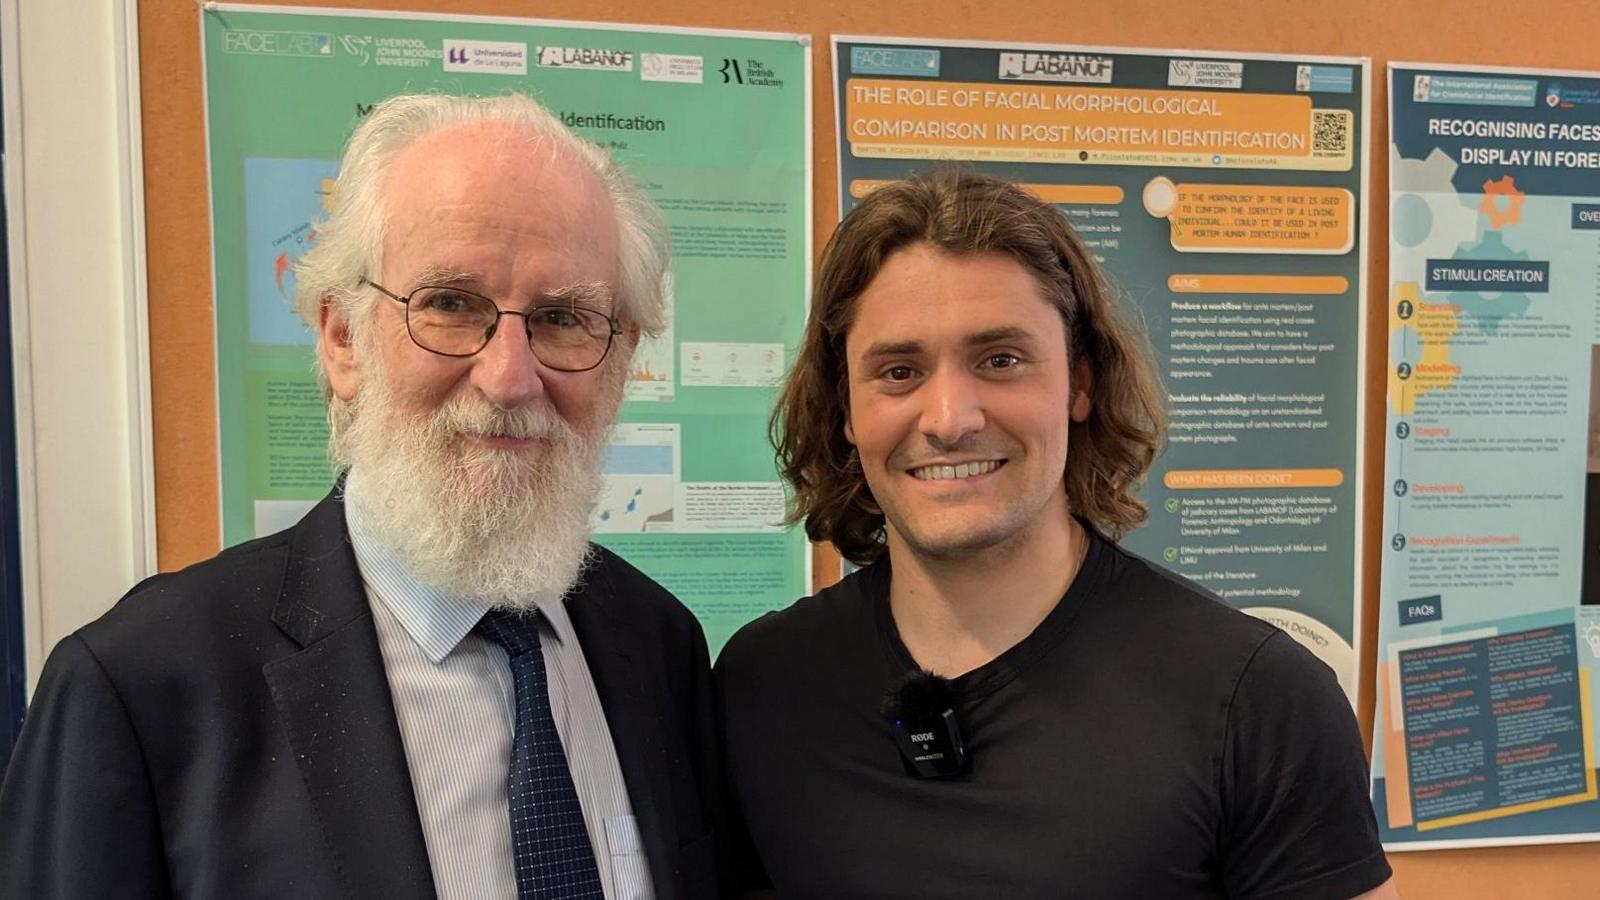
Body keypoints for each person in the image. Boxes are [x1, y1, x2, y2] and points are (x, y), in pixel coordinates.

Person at [0, 93, 721, 898]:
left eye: (562, 319)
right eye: (449, 305)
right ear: (341, 338)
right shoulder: (141, 687)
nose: (511, 377)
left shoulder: (659, 647)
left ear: (621, 361)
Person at [716, 170, 1397, 898]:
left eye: (1000, 360)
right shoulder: (766, 684)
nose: (950, 419)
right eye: (899, 370)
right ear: (846, 409)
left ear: (1079, 383)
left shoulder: (1256, 701)